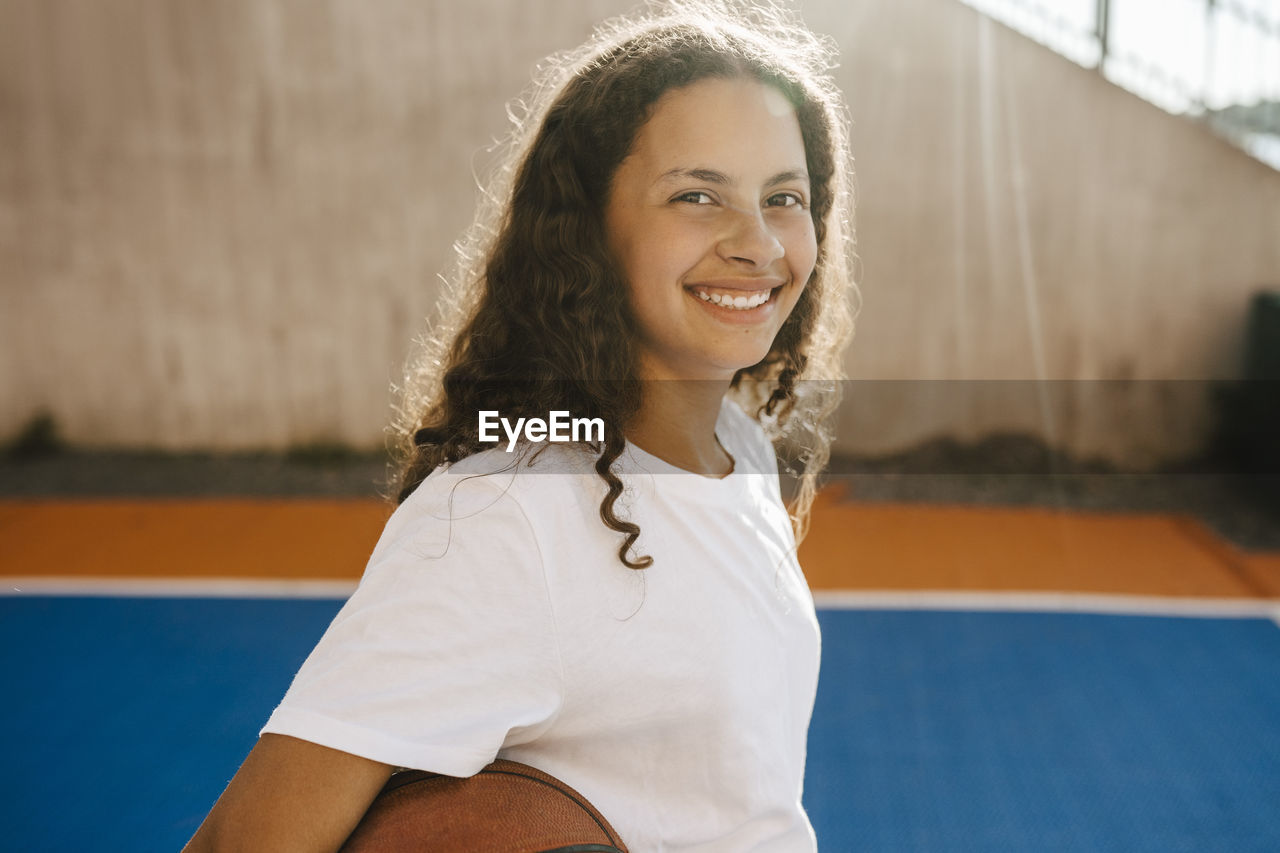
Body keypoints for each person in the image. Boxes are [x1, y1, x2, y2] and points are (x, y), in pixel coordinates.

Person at [184, 1, 855, 850]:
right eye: (697, 194)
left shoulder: (741, 448)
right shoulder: (508, 519)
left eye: (783, 198)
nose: (757, 242)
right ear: (590, 227)